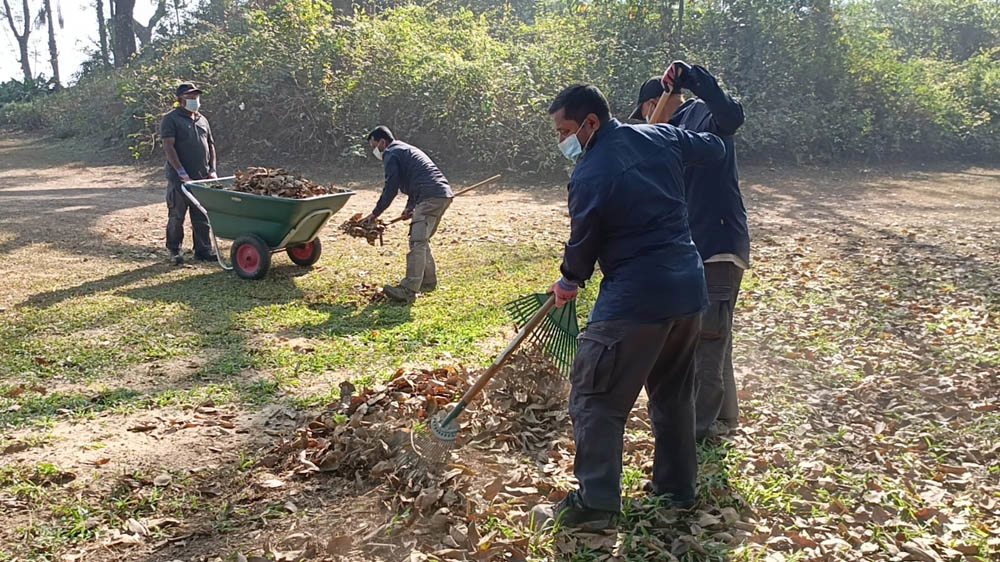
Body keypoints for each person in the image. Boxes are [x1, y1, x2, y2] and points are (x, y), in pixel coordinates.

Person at [530, 84, 726, 531]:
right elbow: (715, 148)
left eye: (564, 130)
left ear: (590, 123)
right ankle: (677, 488)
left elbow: (584, 241)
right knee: (674, 395)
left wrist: (568, 281)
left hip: (636, 299)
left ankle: (595, 503)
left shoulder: (590, 174)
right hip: (688, 290)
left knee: (595, 396)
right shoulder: (658, 135)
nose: (562, 139)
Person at [629, 62, 749, 440]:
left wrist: (694, 78)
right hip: (696, 249)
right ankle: (726, 417)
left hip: (717, 244)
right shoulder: (665, 138)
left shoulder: (698, 114)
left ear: (654, 104)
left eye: (645, 114)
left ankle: (696, 434)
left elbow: (731, 115)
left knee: (707, 340)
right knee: (714, 332)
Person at [360, 126, 454, 303]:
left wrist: (375, 213)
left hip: (430, 196)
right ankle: (428, 281)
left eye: (374, 145)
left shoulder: (391, 153)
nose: (375, 150)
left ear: (382, 142)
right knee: (422, 239)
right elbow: (414, 179)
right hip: (441, 195)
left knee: (417, 241)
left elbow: (391, 188)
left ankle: (408, 290)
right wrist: (410, 207)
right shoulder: (404, 149)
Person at [160, 82, 218, 266]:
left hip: (202, 177)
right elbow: (169, 146)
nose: (194, 100)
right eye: (190, 97)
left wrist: (212, 170)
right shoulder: (171, 119)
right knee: (177, 216)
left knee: (202, 216)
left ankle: (203, 250)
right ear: (180, 100)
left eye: (196, 97)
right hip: (180, 179)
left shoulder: (202, 119)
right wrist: (181, 172)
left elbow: (211, 145)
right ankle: (175, 251)